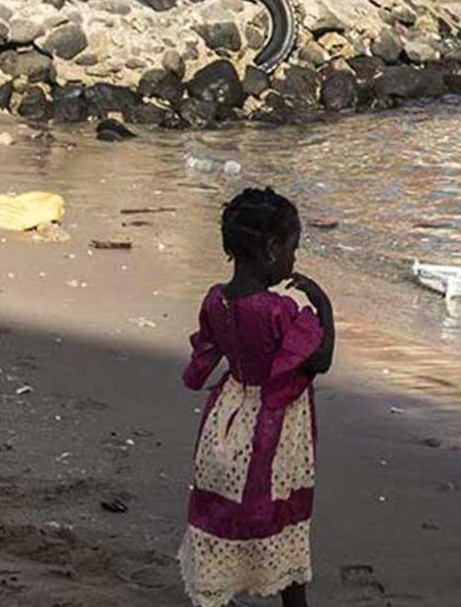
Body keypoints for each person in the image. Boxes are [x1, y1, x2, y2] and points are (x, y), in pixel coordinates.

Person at [178, 188, 336, 607]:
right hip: (274, 428)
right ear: (271, 249)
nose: (293, 260)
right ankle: (291, 597)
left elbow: (205, 358)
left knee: (222, 514)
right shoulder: (279, 310)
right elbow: (318, 360)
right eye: (291, 249)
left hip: (228, 417)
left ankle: (215, 591)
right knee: (280, 514)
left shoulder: (217, 299)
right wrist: (324, 307)